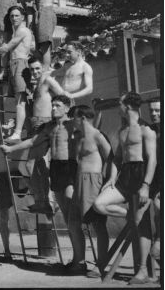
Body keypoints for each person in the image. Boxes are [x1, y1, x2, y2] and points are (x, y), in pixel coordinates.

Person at [1, 95, 81, 271]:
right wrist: (11, 148)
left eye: (57, 105)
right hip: (56, 168)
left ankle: (79, 260)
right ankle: (77, 259)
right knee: (68, 218)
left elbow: (92, 131)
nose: (53, 108)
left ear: (67, 108)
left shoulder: (73, 124)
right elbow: (32, 142)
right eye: (52, 105)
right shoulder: (50, 127)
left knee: (74, 217)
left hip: (70, 167)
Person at [92, 92, 157, 285]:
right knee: (99, 203)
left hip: (141, 174)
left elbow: (152, 159)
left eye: (120, 104)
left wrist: (146, 186)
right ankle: (130, 215)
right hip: (125, 176)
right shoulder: (122, 130)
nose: (118, 108)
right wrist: (112, 177)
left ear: (127, 106)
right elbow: (117, 158)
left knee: (141, 224)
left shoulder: (146, 130)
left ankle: (143, 271)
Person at [68, 105, 112, 277]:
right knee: (73, 223)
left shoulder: (97, 136)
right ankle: (79, 262)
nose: (72, 121)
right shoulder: (78, 136)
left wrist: (110, 181)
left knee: (98, 225)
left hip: (93, 181)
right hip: (79, 181)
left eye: (75, 118)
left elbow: (112, 158)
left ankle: (101, 265)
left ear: (83, 118)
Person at [22, 56, 68, 210]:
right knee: (34, 167)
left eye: (37, 68)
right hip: (36, 125)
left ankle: (47, 201)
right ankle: (44, 201)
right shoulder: (36, 85)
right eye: (32, 69)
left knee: (34, 165)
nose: (34, 72)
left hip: (44, 123)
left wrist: (60, 119)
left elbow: (64, 98)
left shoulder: (48, 80)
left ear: (42, 67)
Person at [0, 6, 31, 143]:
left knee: (20, 102)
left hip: (20, 64)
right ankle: (19, 127)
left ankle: (17, 132)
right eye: (12, 16)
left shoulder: (22, 30)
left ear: (22, 17)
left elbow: (7, 48)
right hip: (14, 64)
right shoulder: (18, 32)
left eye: (17, 15)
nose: (14, 18)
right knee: (20, 101)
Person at [18, 0, 57, 70]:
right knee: (36, 47)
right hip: (39, 13)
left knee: (44, 46)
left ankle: (46, 69)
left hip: (46, 12)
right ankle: (44, 67)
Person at [148, 99, 161, 270]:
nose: (154, 114)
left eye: (158, 111)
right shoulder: (152, 130)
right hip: (157, 179)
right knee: (157, 213)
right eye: (152, 111)